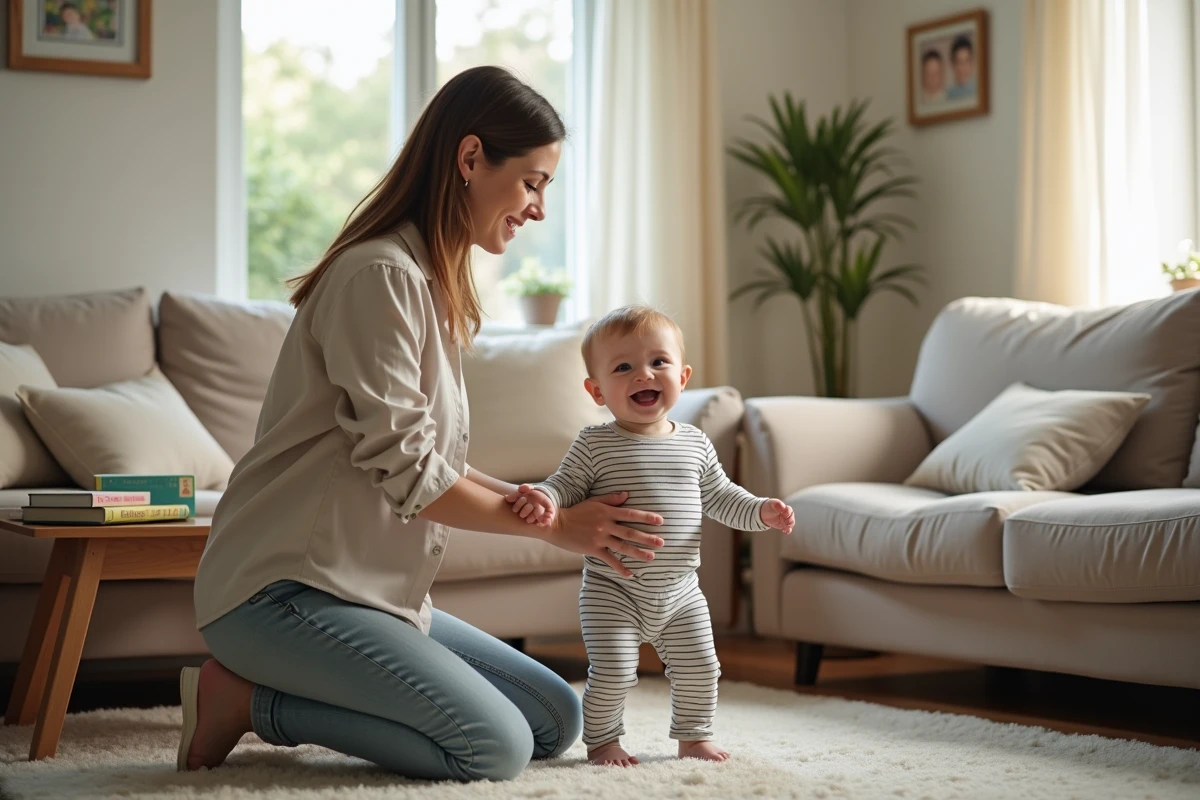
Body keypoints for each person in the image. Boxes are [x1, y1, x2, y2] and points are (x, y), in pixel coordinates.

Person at [177, 66, 667, 783]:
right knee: (492, 746)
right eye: (532, 182)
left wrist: (538, 496)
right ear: (470, 159)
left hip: (372, 596)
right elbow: (410, 471)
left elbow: (427, 454)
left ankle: (271, 693)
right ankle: (245, 702)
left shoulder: (429, 283)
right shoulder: (380, 277)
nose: (537, 209)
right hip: (280, 595)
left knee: (552, 716)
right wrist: (556, 529)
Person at [508, 306, 796, 767]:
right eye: (624, 367)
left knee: (702, 666)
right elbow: (562, 486)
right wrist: (543, 496)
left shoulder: (696, 442)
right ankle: (603, 741)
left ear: (682, 376)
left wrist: (761, 512)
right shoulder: (594, 443)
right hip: (612, 589)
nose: (644, 374)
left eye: (658, 362)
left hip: (682, 590)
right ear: (597, 390)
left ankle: (693, 736)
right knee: (615, 672)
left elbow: (722, 497)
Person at [946, 36, 976, 101]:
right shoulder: (948, 95)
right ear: (953, 64)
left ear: (971, 63)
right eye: (959, 62)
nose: (963, 67)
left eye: (966, 61)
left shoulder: (978, 90)